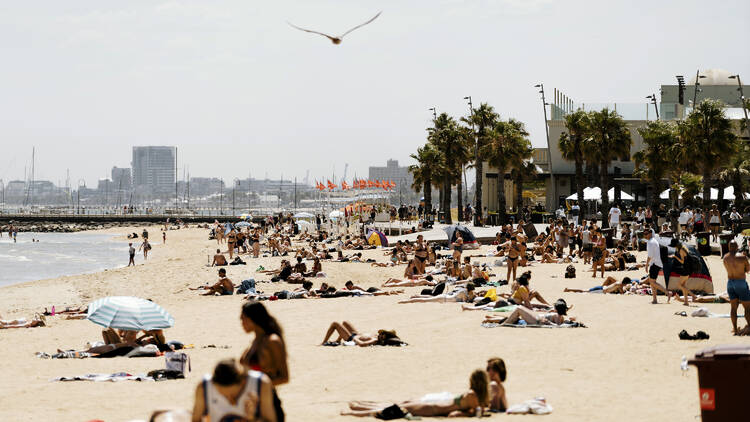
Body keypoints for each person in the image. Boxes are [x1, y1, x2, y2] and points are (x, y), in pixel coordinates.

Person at [342, 369, 489, 417]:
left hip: (434, 408)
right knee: (399, 406)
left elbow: (459, 414)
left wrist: (465, 414)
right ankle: (360, 405)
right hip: (434, 405)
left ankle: (354, 412)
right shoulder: (478, 399)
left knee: (396, 409)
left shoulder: (471, 395)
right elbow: (473, 411)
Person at [191, 358, 277, 422]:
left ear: (243, 382)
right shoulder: (204, 386)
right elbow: (196, 419)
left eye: (233, 395)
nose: (230, 401)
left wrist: (253, 418)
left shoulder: (260, 383)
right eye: (224, 396)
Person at [722, 240, 750, 335]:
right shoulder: (742, 257)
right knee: (747, 307)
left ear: (729, 247)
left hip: (730, 283)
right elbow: (747, 269)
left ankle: (734, 328)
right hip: (740, 282)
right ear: (737, 246)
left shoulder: (725, 258)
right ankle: (749, 326)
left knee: (733, 307)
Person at [645, 229, 670, 304]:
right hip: (657, 263)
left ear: (650, 234)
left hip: (654, 264)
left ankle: (667, 292)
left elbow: (650, 255)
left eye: (646, 233)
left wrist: (646, 265)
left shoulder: (650, 242)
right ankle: (654, 299)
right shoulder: (654, 241)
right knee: (652, 281)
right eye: (644, 233)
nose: (645, 235)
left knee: (652, 282)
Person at [670, 241, 695, 306]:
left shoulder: (681, 250)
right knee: (683, 285)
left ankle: (693, 295)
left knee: (679, 285)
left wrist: (675, 257)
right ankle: (686, 302)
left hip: (685, 270)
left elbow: (682, 261)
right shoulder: (684, 249)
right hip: (688, 270)